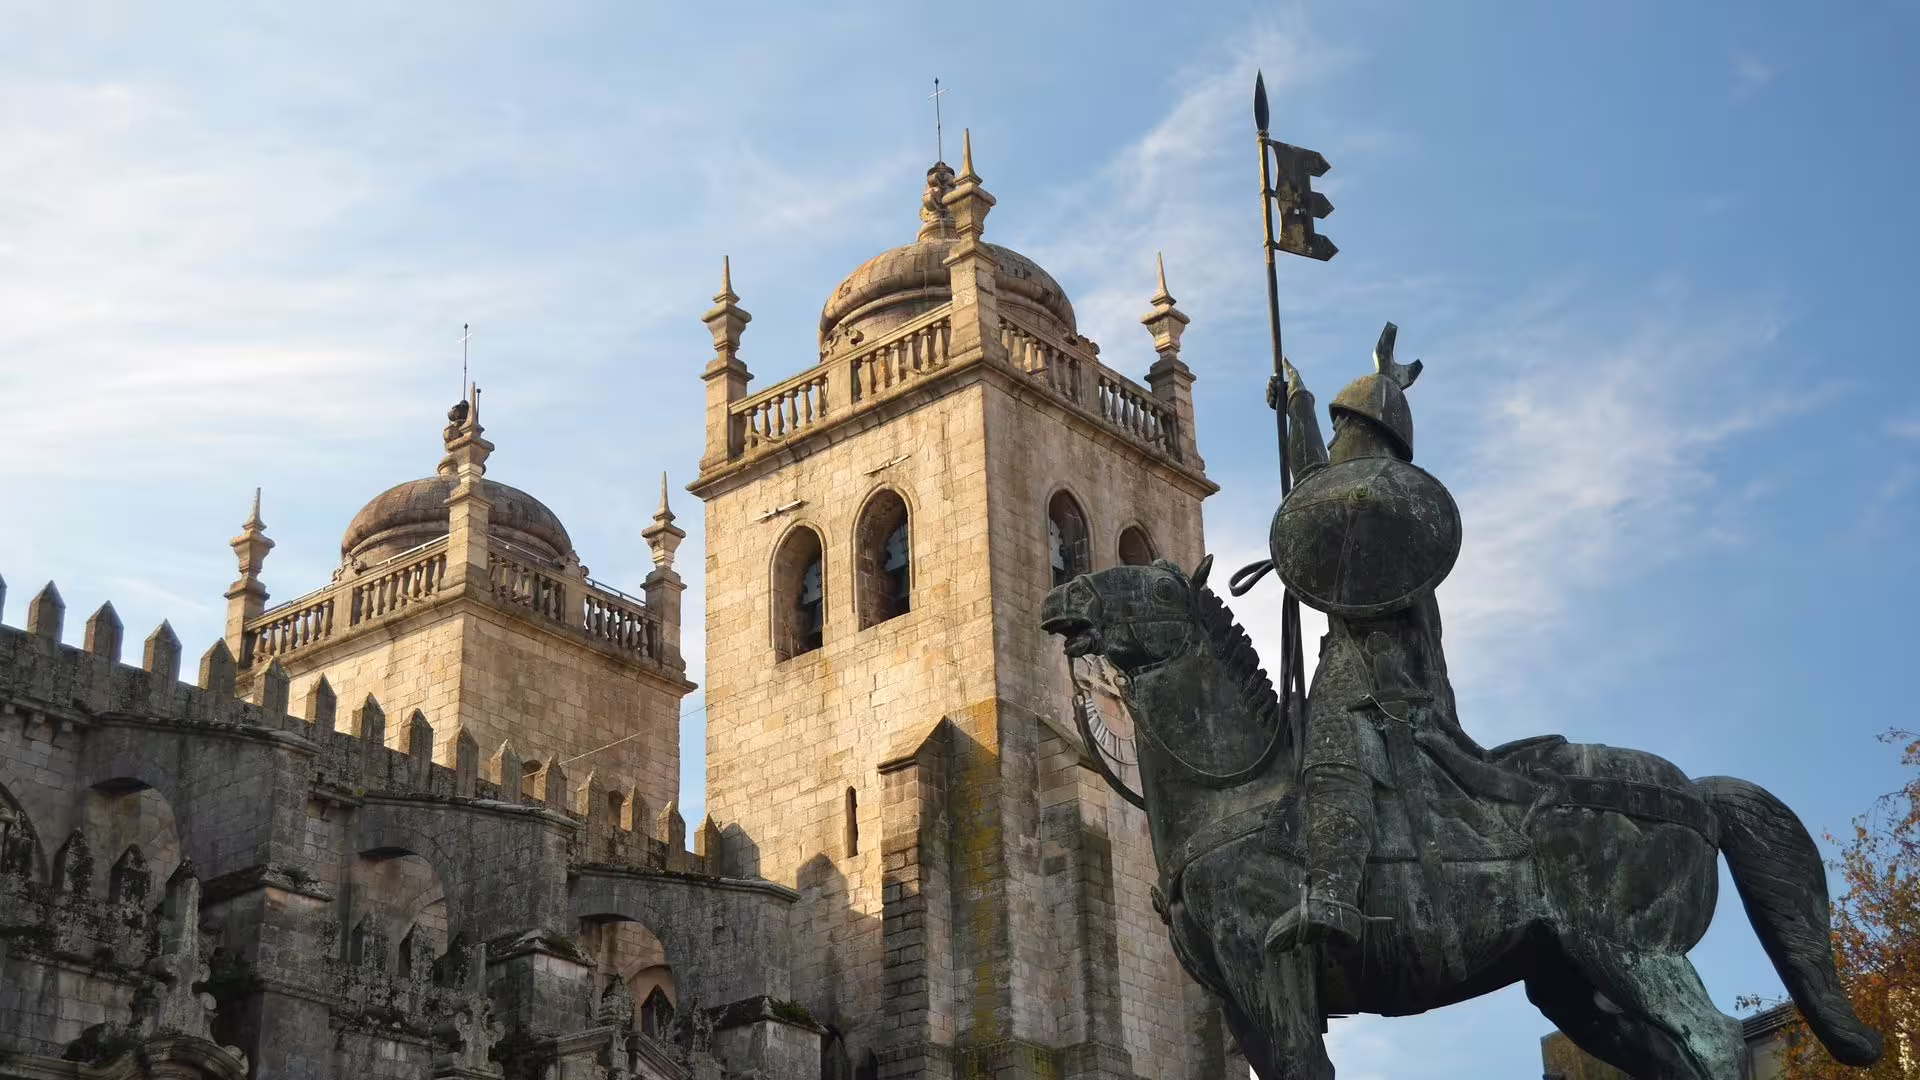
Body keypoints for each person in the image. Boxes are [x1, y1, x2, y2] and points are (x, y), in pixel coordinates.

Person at [1262, 324, 1496, 954]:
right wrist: (1301, 413)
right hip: (1354, 658)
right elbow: (1317, 495)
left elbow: (1323, 498)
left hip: (1380, 668)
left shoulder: (1385, 501)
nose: (1335, 441)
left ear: (1366, 432)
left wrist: (1328, 409)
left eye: (1343, 428)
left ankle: (1335, 897)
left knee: (1331, 755)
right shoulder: (1366, 495)